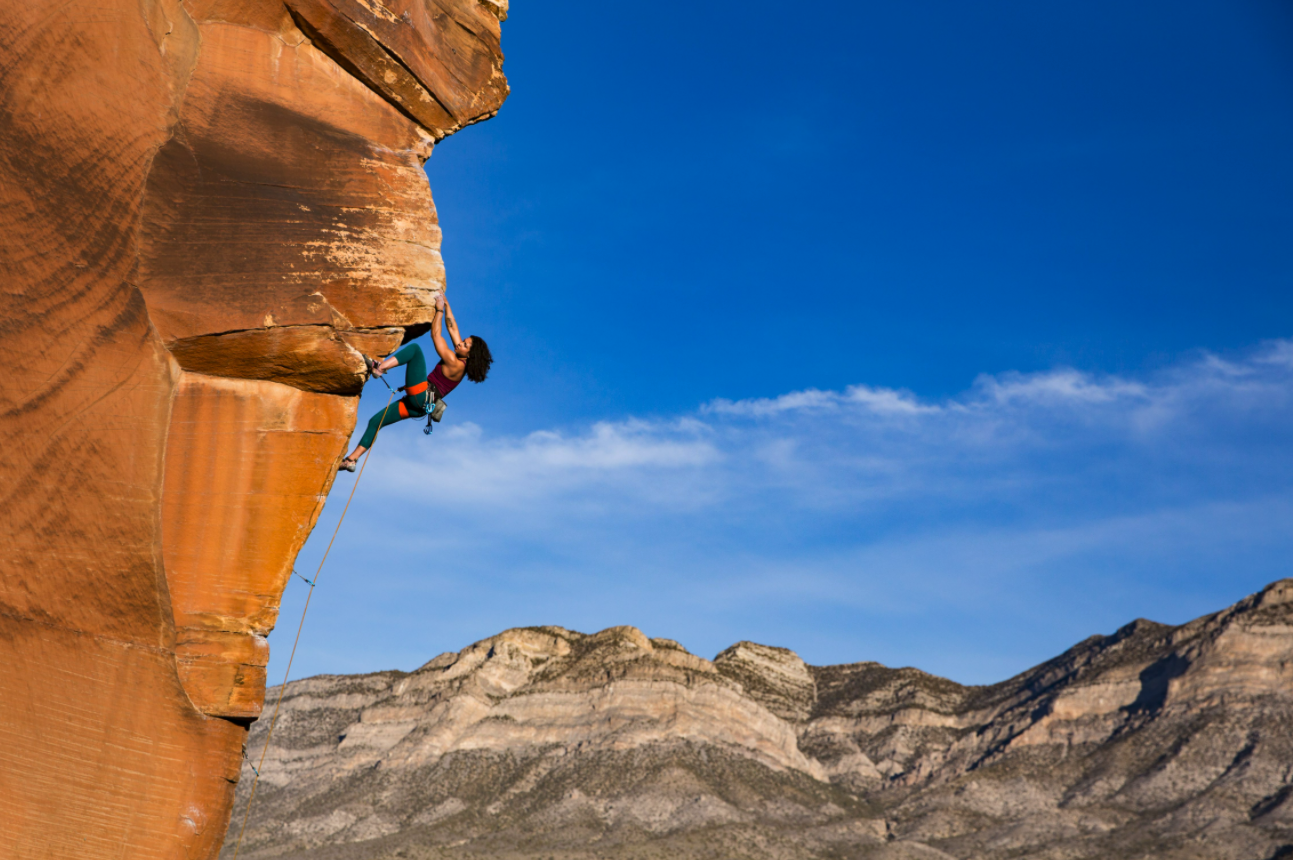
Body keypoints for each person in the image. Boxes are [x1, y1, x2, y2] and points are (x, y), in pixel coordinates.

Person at [339, 295, 492, 471]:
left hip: (421, 396)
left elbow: (436, 335)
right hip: (419, 406)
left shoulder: (454, 362)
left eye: (464, 345)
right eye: (463, 341)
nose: (460, 344)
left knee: (415, 350)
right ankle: (352, 460)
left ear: (470, 355)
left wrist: (439, 310)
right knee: (376, 421)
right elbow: (452, 327)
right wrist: (447, 303)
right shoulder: (461, 357)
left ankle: (379, 368)